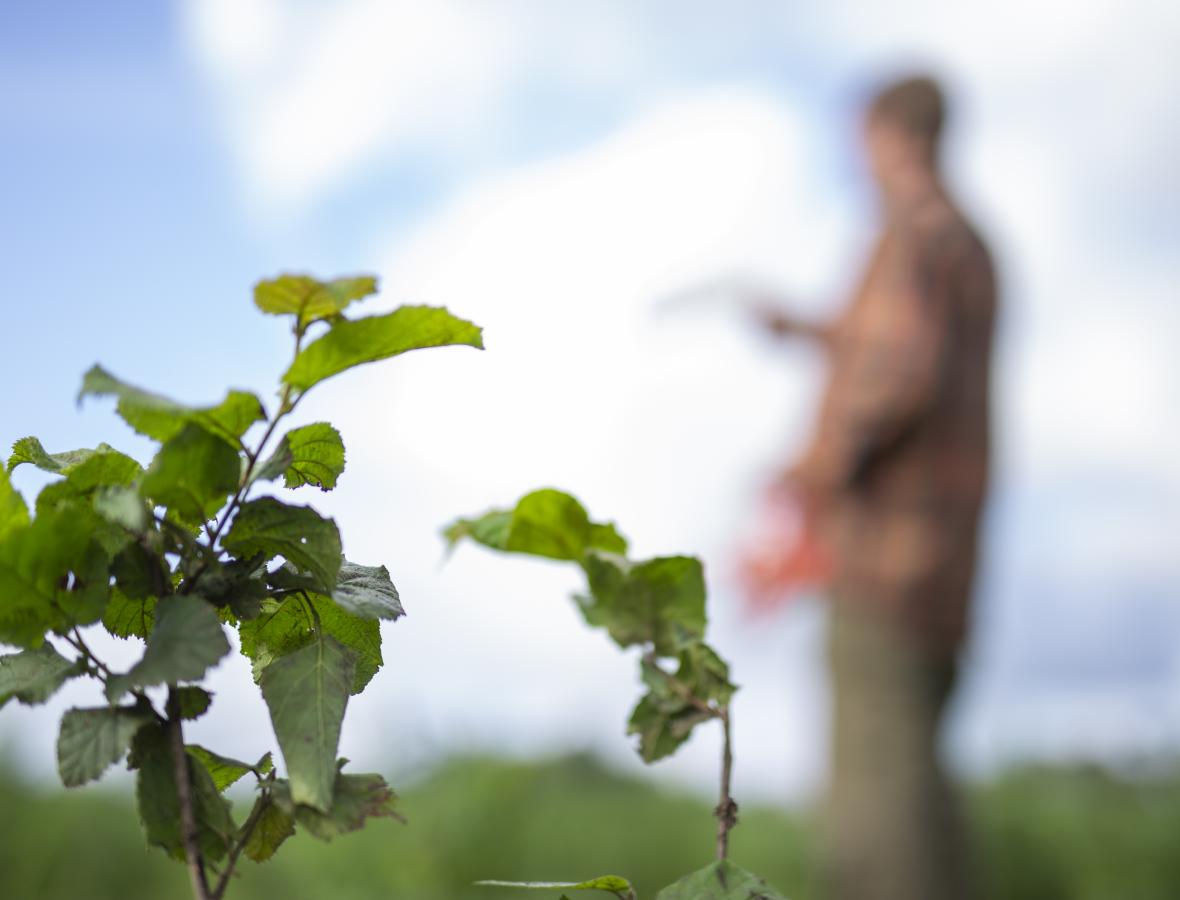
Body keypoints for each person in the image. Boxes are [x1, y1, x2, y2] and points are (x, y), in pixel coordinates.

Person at [751, 76, 997, 900]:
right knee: (917, 798)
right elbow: (894, 346)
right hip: (940, 569)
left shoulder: (916, 233)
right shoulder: (965, 243)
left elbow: (895, 378)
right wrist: (809, 330)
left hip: (883, 568)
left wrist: (809, 474)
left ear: (889, 134)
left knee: (875, 824)